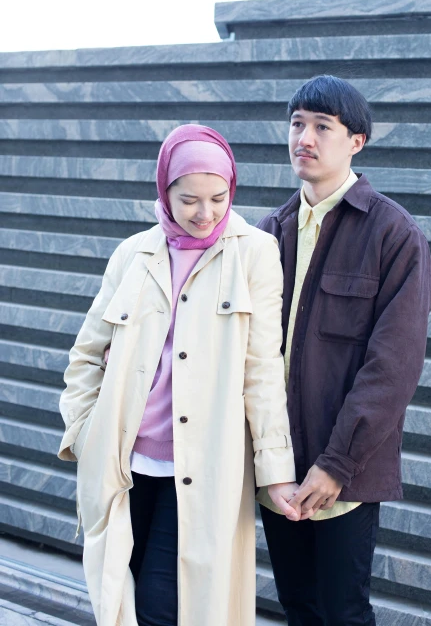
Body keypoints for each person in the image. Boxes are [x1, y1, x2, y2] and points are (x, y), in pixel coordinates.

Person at [58, 124, 299, 626]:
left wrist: (275, 468)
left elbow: (262, 369)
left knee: (163, 606)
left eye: (219, 198)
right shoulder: (133, 254)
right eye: (189, 199)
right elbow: (86, 355)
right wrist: (84, 433)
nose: (205, 213)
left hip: (204, 468)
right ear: (164, 190)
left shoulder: (254, 252)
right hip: (124, 466)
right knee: (119, 594)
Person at [256, 75, 431, 626]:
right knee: (299, 607)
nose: (304, 138)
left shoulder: (394, 234)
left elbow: (393, 367)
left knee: (343, 612)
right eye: (297, 124)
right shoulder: (271, 232)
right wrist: (267, 463)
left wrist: (336, 465)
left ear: (356, 141)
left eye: (322, 127)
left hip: (344, 476)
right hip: (279, 472)